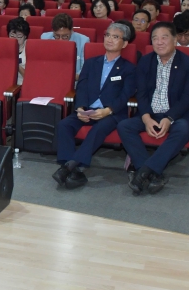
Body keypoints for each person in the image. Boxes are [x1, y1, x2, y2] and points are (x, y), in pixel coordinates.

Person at [117, 22, 189, 195]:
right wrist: (146, 117)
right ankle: (151, 173)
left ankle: (144, 171)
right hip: (150, 112)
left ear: (175, 40)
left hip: (177, 115)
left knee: (184, 128)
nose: (159, 42)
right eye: (155, 38)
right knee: (124, 126)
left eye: (164, 37)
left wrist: (169, 118)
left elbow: (187, 97)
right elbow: (142, 94)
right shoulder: (145, 62)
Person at [53, 22, 137, 189]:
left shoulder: (129, 68)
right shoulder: (92, 63)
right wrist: (80, 108)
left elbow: (125, 95)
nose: (110, 40)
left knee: (98, 129)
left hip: (112, 113)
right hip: (88, 109)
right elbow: (82, 86)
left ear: (125, 43)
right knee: (64, 125)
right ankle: (72, 168)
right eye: (107, 35)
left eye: (115, 37)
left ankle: (69, 167)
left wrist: (108, 110)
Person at [8, 17, 30, 84]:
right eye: (12, 36)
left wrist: (16, 64)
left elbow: (30, 76)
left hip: (22, 84)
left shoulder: (30, 48)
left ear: (25, 36)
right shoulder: (4, 46)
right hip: (6, 83)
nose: (15, 39)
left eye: (19, 36)